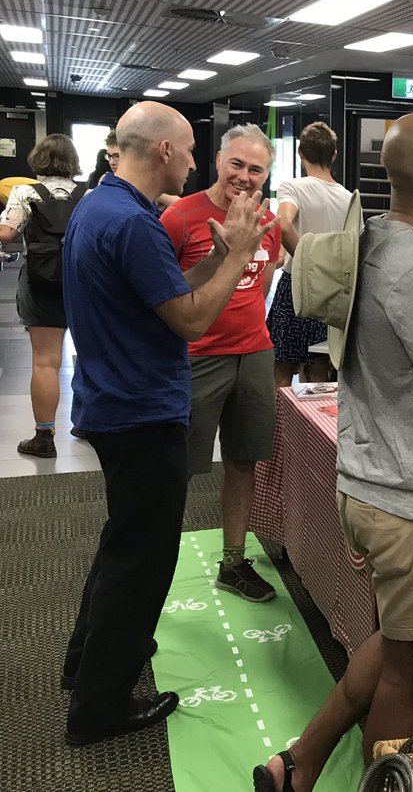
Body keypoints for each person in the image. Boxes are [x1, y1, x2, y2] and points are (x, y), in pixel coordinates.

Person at [253, 112, 413, 792]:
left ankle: (298, 764)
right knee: (406, 672)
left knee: (397, 643)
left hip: (368, 484)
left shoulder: (371, 242)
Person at [61, 101, 277, 745]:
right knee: (143, 558)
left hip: (114, 401)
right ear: (162, 152)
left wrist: (217, 258)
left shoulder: (104, 208)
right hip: (138, 409)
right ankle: (100, 705)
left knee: (124, 539)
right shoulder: (135, 223)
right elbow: (188, 320)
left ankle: (87, 661)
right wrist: (238, 252)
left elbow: (170, 291)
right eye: (189, 149)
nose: (192, 160)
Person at [161, 124, 282, 603]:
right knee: (178, 469)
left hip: (254, 354)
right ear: (217, 161)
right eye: (237, 164)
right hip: (195, 359)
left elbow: (263, 281)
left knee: (243, 462)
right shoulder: (182, 217)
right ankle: (154, 566)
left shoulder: (266, 221)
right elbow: (164, 292)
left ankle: (233, 564)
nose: (245, 177)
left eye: (256, 169)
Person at [0, 134, 86, 457]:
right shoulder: (87, 195)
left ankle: (44, 438)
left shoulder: (24, 192)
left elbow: (8, 234)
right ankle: (90, 423)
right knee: (91, 356)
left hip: (41, 283)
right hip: (82, 284)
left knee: (46, 362)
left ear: (39, 159)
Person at [267, 121, 353, 387]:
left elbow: (283, 222)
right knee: (318, 370)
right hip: (331, 291)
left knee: (282, 368)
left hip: (295, 286)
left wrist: (306, 263)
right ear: (334, 155)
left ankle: (279, 429)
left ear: (300, 153)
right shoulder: (349, 198)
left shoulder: (293, 187)